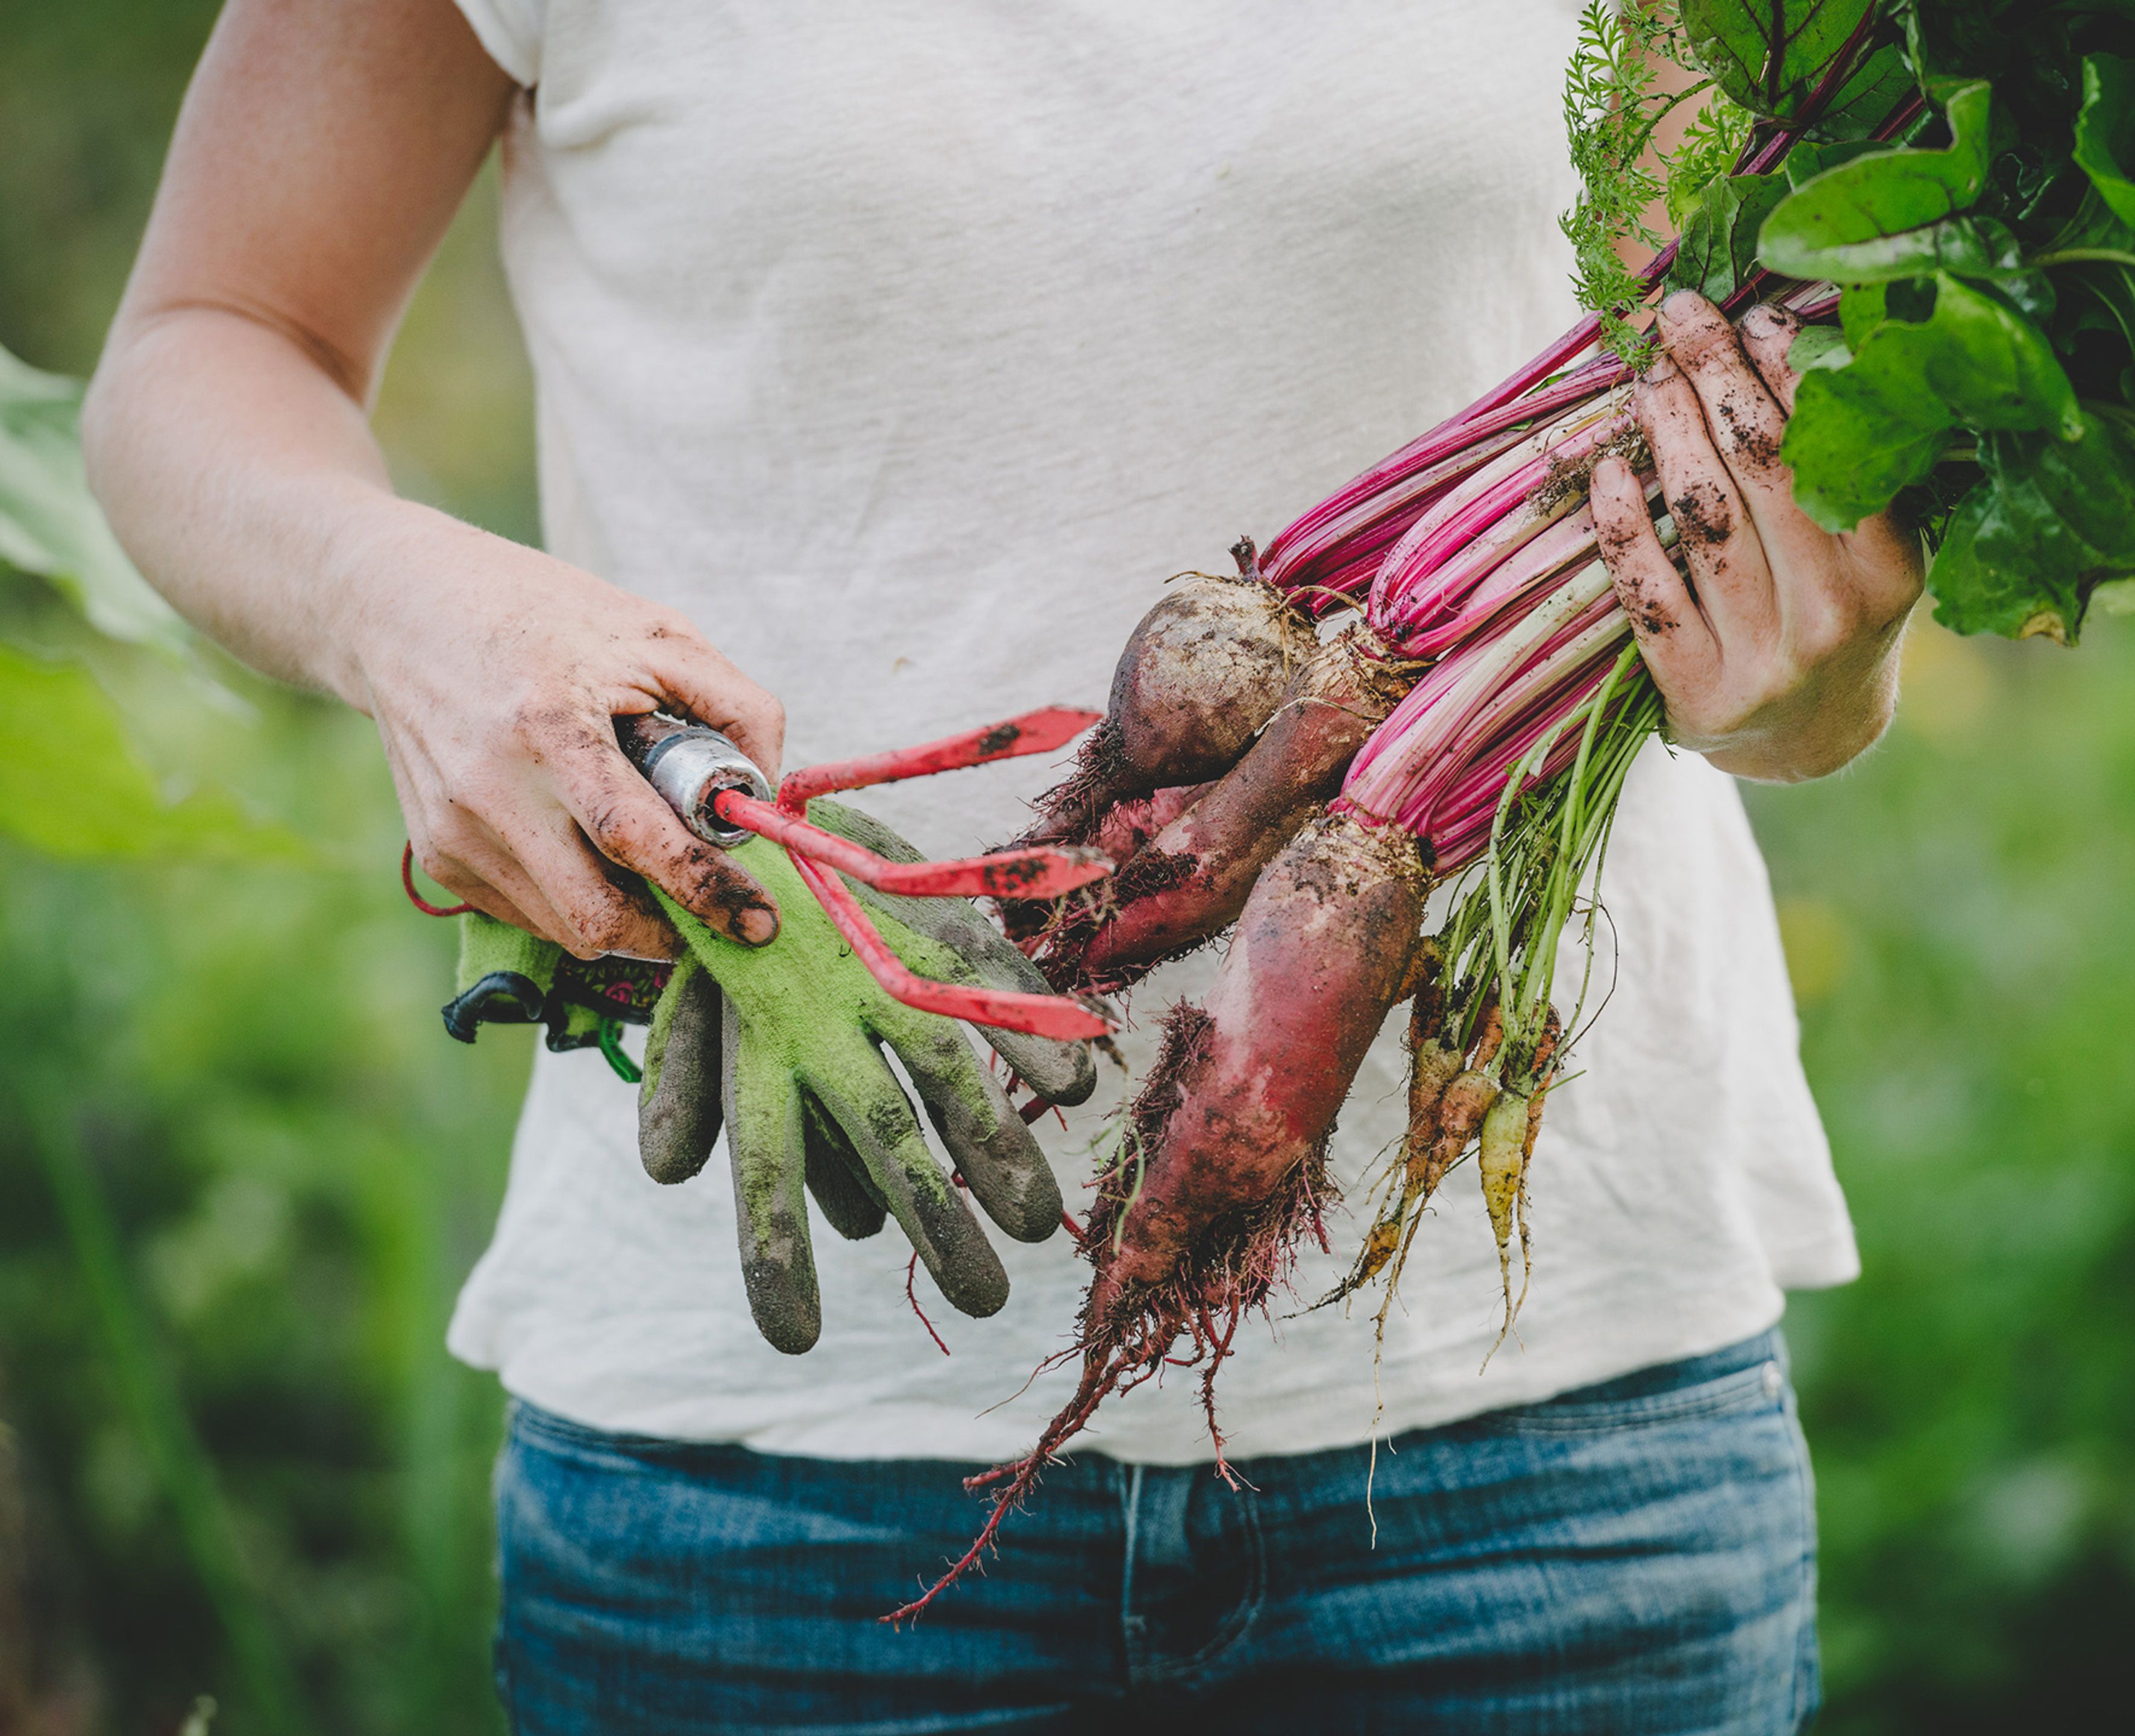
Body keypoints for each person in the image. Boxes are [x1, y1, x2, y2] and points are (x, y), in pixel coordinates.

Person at [84, 1, 1920, 1729]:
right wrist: (415, 617)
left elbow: (1724, 391)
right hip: (762, 1477)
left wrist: (1811, 668)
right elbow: (212, 337)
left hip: (1551, 1447)